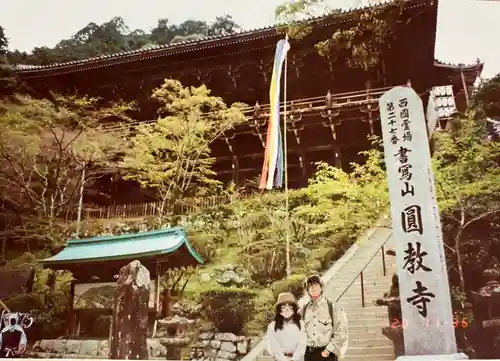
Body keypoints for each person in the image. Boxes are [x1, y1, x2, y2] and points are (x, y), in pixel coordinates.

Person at [301, 275, 348, 361]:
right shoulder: (304, 309)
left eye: (316, 284)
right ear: (307, 290)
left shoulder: (333, 307)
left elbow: (341, 332)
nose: (313, 287)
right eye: (310, 286)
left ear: (322, 287)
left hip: (327, 354)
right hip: (309, 355)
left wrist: (327, 351)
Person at [266, 292, 307, 361]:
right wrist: (283, 359)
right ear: (279, 310)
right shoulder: (272, 326)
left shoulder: (301, 324)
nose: (287, 309)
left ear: (294, 309)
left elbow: (302, 344)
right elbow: (273, 346)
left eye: (290, 306)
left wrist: (293, 359)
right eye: (283, 306)